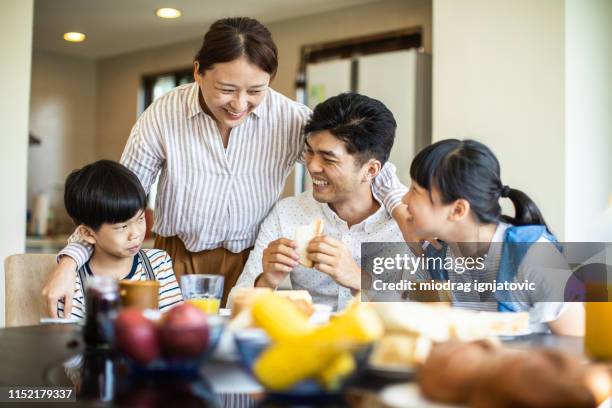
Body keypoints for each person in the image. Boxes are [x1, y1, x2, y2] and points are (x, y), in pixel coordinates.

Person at [43, 17, 407, 315]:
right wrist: (70, 260)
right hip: (175, 261)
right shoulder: (164, 115)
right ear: (199, 71)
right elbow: (113, 201)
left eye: (256, 90)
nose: (240, 104)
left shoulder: (290, 120)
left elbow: (362, 161)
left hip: (253, 258)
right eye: (227, 89)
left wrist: (406, 215)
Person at [228, 93, 404, 310]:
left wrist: (360, 280)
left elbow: (435, 311)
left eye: (329, 159)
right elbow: (232, 305)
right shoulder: (288, 214)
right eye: (310, 152)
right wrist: (266, 281)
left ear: (370, 170)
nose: (312, 166)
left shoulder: (407, 223)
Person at [398, 139, 584, 335]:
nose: (404, 199)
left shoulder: (536, 256)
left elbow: (578, 347)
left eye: (415, 191)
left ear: (457, 210)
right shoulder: (433, 254)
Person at [57, 160, 183, 320]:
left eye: (140, 218)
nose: (136, 234)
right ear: (88, 233)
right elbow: (68, 340)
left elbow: (176, 325)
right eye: (122, 227)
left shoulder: (158, 265)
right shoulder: (72, 281)